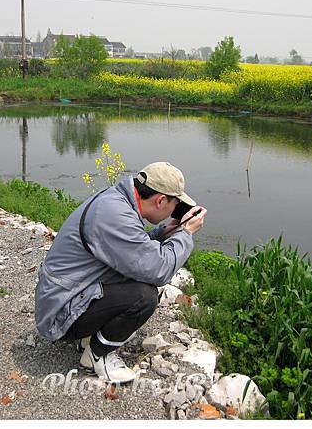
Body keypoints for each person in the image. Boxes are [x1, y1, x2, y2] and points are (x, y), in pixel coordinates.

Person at [34, 161, 207, 383]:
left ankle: (88, 337)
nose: (174, 212)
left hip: (63, 295)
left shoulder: (116, 199)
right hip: (59, 314)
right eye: (175, 205)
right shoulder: (114, 215)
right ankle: (98, 355)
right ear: (161, 200)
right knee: (144, 296)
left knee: (135, 278)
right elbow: (159, 270)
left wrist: (166, 231)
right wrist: (186, 234)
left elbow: (133, 250)